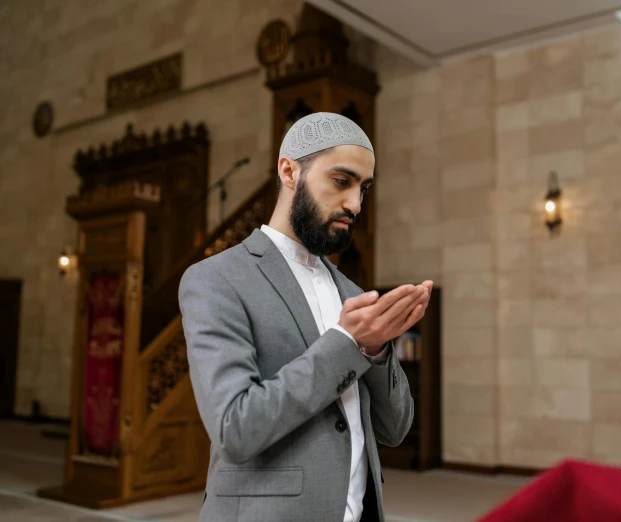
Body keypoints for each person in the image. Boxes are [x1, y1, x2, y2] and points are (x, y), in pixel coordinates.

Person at [179, 112, 432, 522]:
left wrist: (377, 348)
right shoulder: (217, 279)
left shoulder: (351, 293)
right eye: (341, 181)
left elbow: (395, 429)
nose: (355, 203)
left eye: (363, 189)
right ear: (289, 171)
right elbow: (234, 430)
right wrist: (347, 345)